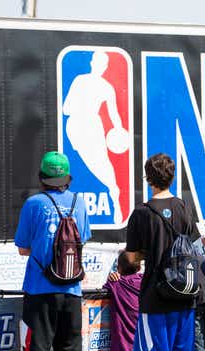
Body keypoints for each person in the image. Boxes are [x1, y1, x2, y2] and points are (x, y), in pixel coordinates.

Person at [15, 151, 91, 351]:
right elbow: (82, 239)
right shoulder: (78, 203)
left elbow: (23, 248)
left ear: (42, 178)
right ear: (66, 177)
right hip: (72, 289)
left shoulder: (34, 204)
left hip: (39, 289)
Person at [125, 153, 200, 351]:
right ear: (172, 176)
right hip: (185, 293)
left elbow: (132, 257)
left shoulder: (142, 213)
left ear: (148, 178)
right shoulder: (182, 207)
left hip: (155, 296)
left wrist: (146, 253)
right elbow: (192, 244)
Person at [62, 50, 128, 225]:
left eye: (102, 63)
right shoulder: (81, 81)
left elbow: (115, 116)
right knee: (93, 164)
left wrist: (119, 131)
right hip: (78, 126)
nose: (100, 66)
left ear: (104, 66)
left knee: (102, 164)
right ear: (93, 63)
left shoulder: (106, 87)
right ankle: (113, 192)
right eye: (98, 62)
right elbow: (65, 109)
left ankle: (115, 196)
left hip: (91, 126)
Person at [99, 251, 156, 351]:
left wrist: (112, 277)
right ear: (139, 267)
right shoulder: (148, 281)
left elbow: (104, 288)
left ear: (118, 268)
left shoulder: (116, 284)